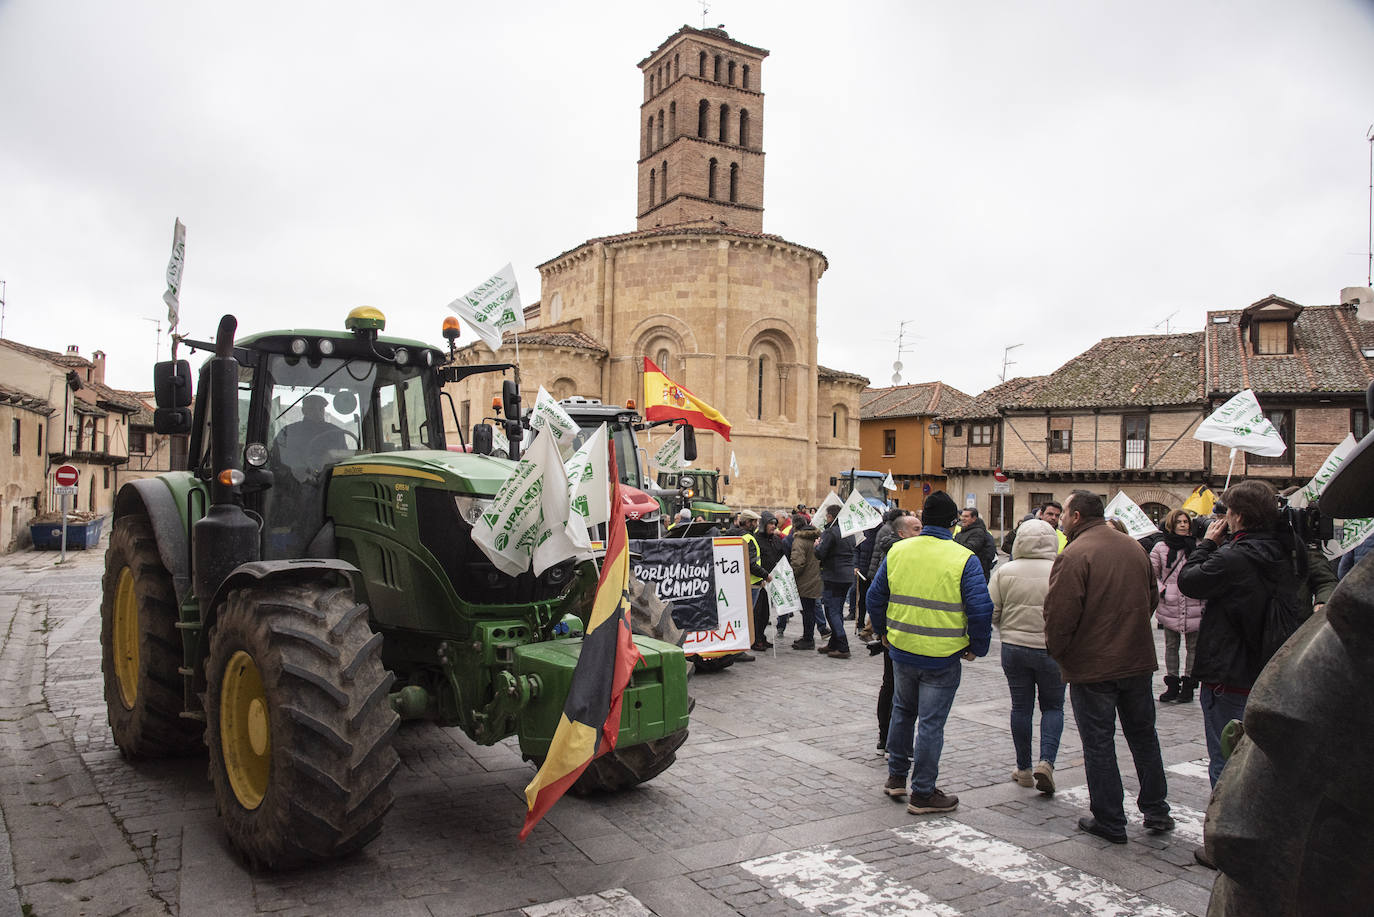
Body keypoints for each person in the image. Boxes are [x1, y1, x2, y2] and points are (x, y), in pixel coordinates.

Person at [1044, 490, 1174, 844]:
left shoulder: (1075, 553)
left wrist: (1059, 652)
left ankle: (1110, 818)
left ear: (1076, 516)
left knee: (1099, 742)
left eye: (1065, 512)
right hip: (1135, 659)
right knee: (1144, 735)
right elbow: (1151, 597)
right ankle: (1157, 808)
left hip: (1094, 664)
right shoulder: (1133, 547)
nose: (1063, 518)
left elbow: (1060, 615)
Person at [867, 491, 992, 814]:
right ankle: (922, 792)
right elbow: (980, 609)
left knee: (902, 712)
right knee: (931, 725)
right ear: (953, 523)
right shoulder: (964, 558)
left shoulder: (899, 551)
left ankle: (896, 777)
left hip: (903, 648)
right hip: (943, 654)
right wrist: (976, 647)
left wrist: (882, 631)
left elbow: (875, 596)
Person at [1177, 480, 1298, 789]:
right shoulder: (1286, 551)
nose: (1224, 518)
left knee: (1227, 760)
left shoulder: (1233, 557)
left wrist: (1206, 544)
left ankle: (1227, 830)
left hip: (1228, 674)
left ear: (1240, 517)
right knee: (1261, 762)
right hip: (1270, 670)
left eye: (1228, 512)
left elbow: (1189, 581)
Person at [988, 519, 1063, 795]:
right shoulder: (1060, 569)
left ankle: (1024, 768)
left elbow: (992, 610)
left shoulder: (1005, 571)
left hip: (1015, 646)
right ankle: (1047, 761)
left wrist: (1006, 626)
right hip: (1052, 648)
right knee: (1053, 707)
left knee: (1021, 707)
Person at [873, 513, 921, 753]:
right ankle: (887, 738)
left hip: (911, 630)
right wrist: (882, 630)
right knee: (893, 686)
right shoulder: (895, 554)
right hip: (895, 631)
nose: (920, 533)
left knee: (897, 687)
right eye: (916, 529)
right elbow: (876, 594)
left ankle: (894, 740)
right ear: (901, 533)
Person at [1150, 509, 1204, 703]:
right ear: (1171, 525)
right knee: (1171, 646)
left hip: (1193, 601)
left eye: (1186, 522)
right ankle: (1172, 684)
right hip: (1170, 602)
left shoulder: (1198, 546)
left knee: (1193, 647)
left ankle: (1189, 685)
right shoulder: (1160, 548)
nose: (1183, 525)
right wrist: (1163, 590)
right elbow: (1152, 573)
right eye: (1179, 522)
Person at [814, 504, 856, 658]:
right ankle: (834, 643)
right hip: (846, 576)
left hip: (833, 576)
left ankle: (843, 647)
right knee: (836, 610)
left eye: (827, 516)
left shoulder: (830, 532)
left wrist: (816, 546)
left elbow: (820, 554)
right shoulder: (848, 531)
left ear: (831, 517)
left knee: (832, 611)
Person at [276, 394, 347, 477]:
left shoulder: (336, 432)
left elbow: (344, 459)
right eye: (312, 409)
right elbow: (280, 461)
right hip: (295, 483)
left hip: (330, 480)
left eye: (320, 409)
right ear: (304, 411)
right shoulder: (289, 432)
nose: (317, 412)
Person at [736, 510, 771, 661]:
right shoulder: (749, 538)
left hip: (743, 582)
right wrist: (765, 574)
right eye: (755, 522)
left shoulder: (738, 535)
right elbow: (751, 563)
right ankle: (739, 650)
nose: (757, 525)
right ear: (748, 522)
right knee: (745, 618)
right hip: (751, 583)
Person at [788, 514, 826, 649]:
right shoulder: (815, 537)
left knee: (807, 611)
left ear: (794, 526)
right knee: (809, 610)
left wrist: (791, 576)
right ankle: (807, 636)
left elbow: (798, 563)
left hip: (804, 580)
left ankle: (808, 639)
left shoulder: (799, 540)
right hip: (815, 578)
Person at [751, 512, 786, 651]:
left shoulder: (776, 539)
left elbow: (782, 555)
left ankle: (761, 637)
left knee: (766, 613)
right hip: (760, 581)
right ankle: (756, 639)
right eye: (770, 524)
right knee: (758, 612)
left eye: (774, 524)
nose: (773, 526)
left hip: (772, 580)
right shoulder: (756, 539)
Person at [954, 507, 997, 579]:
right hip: (964, 569)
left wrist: (953, 545)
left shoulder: (978, 532)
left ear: (974, 518)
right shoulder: (963, 531)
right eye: (962, 516)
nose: (962, 518)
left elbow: (971, 548)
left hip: (976, 572)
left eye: (966, 516)